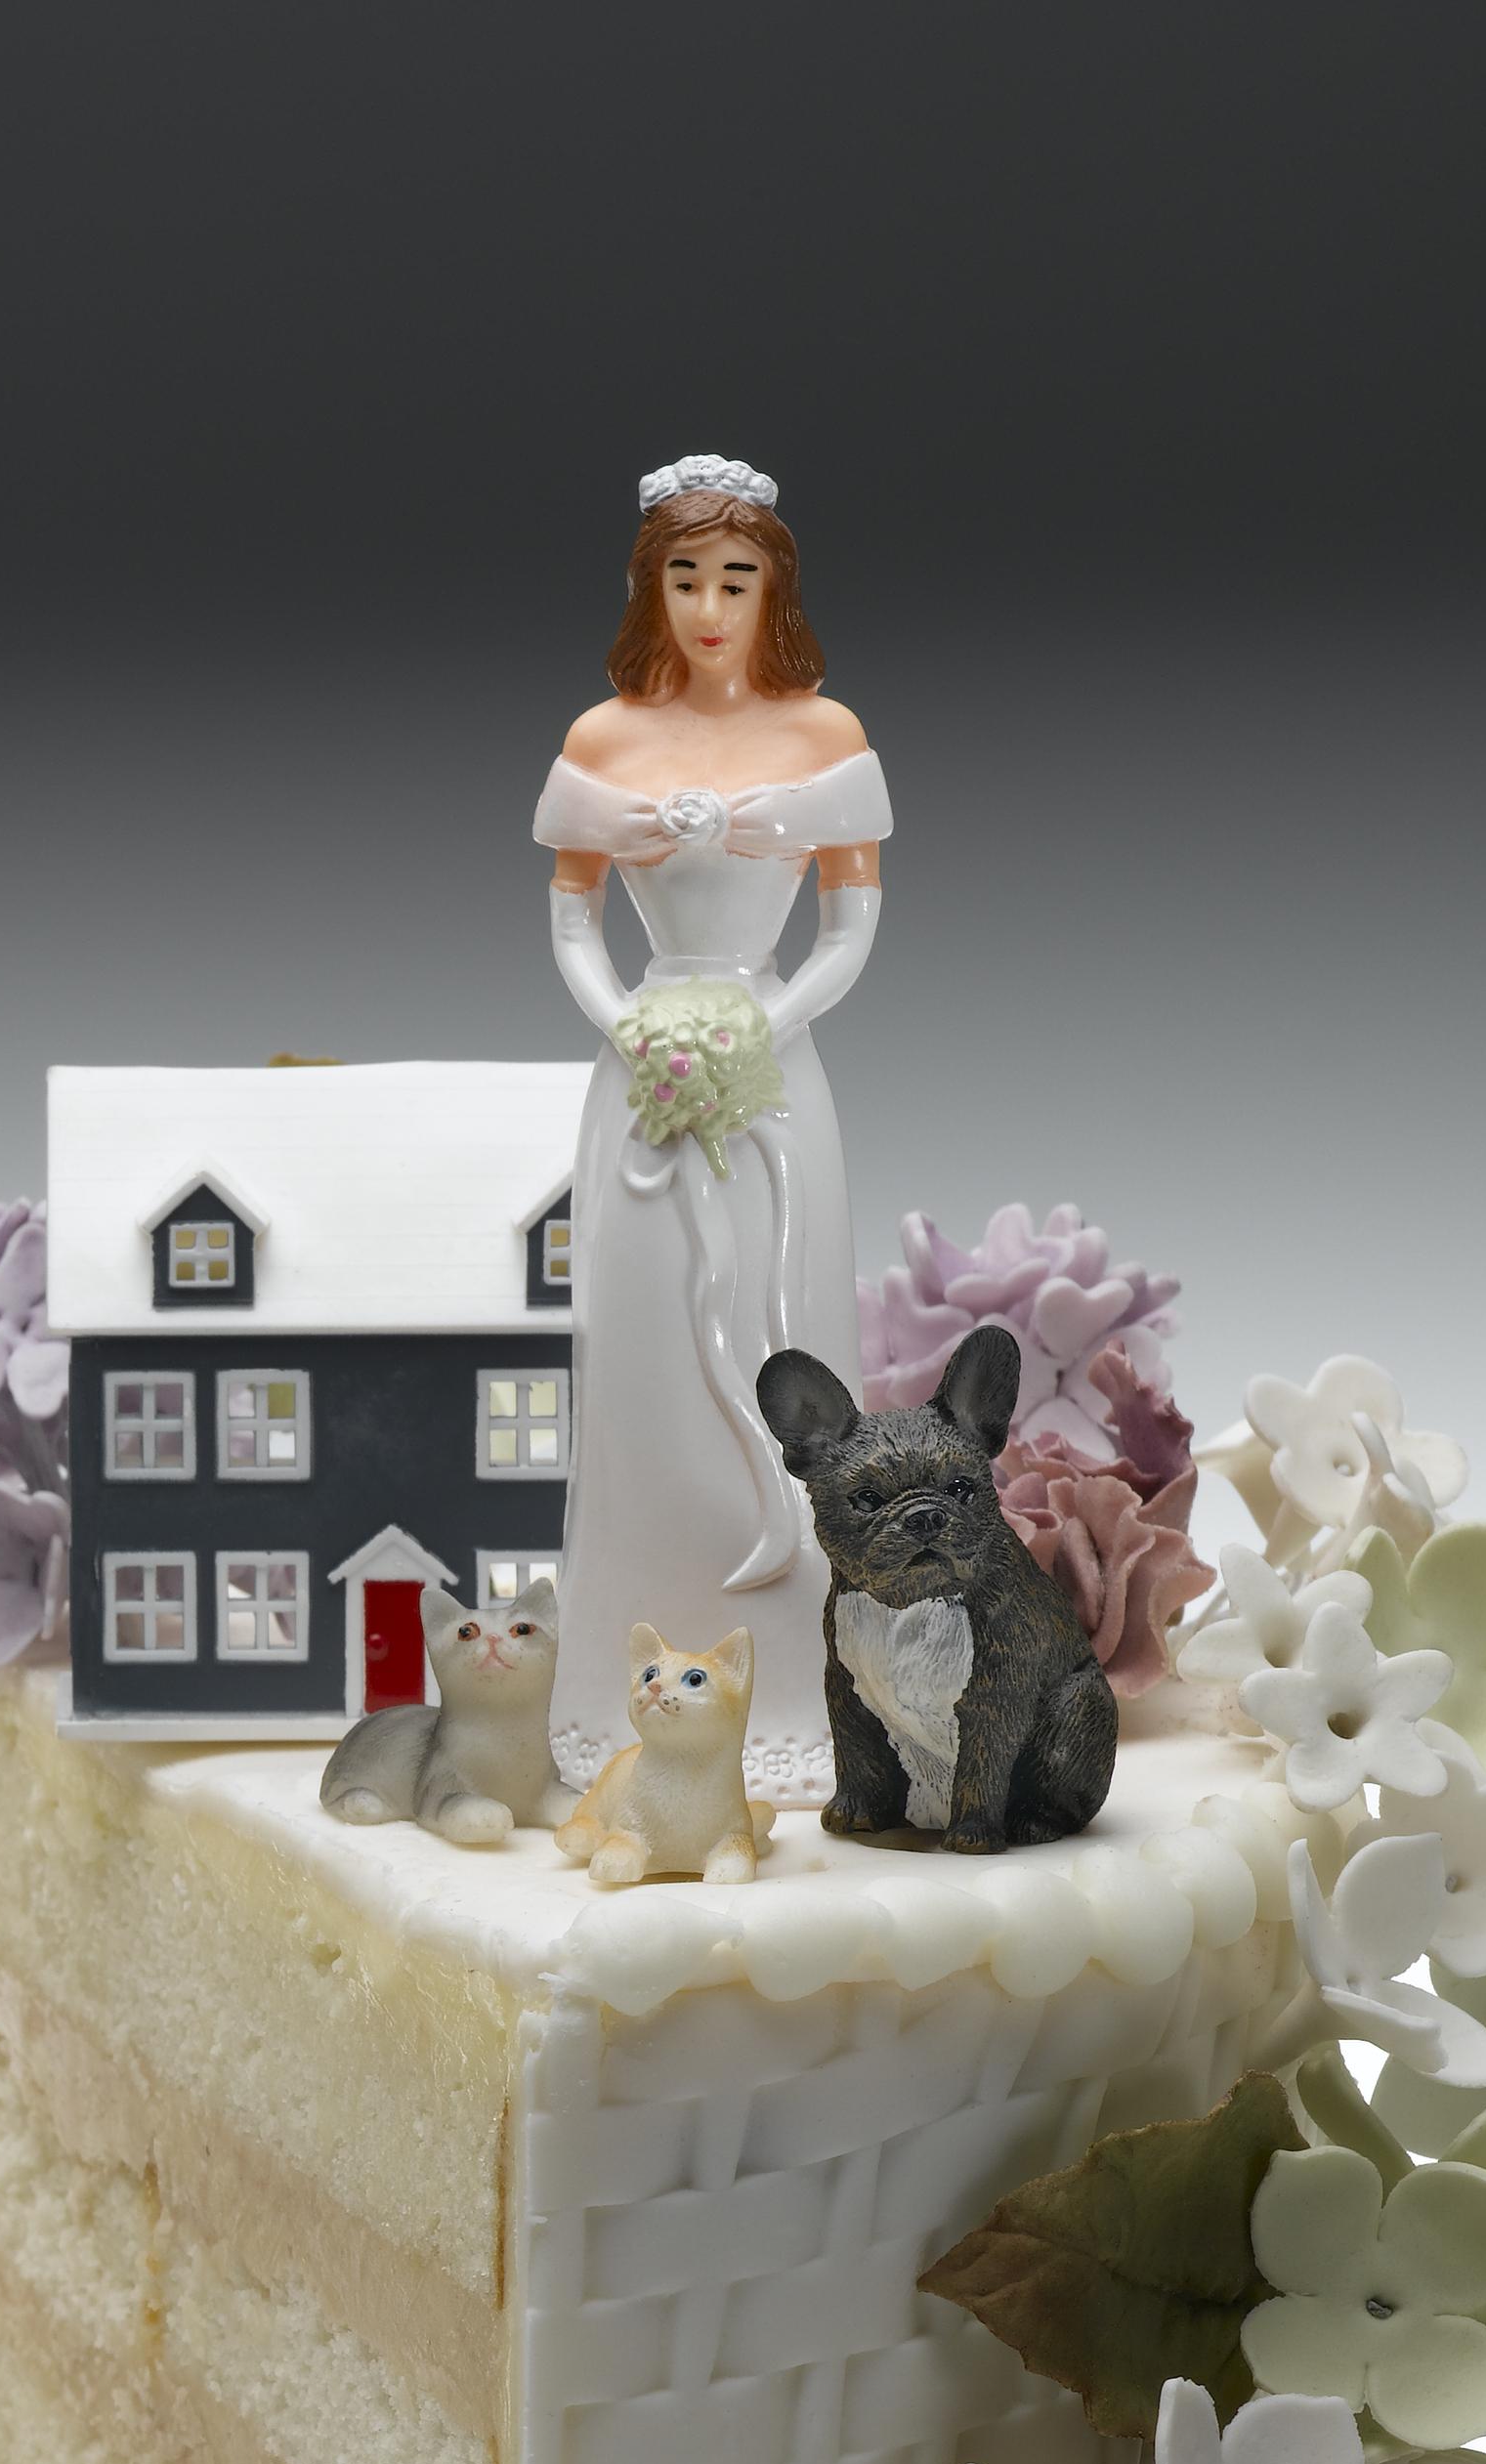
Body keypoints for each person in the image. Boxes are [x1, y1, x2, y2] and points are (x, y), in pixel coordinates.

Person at [534, 454, 888, 1789]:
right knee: (641, 1368)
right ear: (652, 590)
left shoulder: (825, 734)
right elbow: (574, 924)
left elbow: (850, 928)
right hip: (640, 1078)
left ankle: (795, 1691)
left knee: (784, 1335)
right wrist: (631, 1026)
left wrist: (762, 1026)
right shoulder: (603, 741)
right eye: (685, 579)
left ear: (772, 591)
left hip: (776, 1074)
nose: (709, 607)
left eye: (736, 580)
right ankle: (621, 1692)